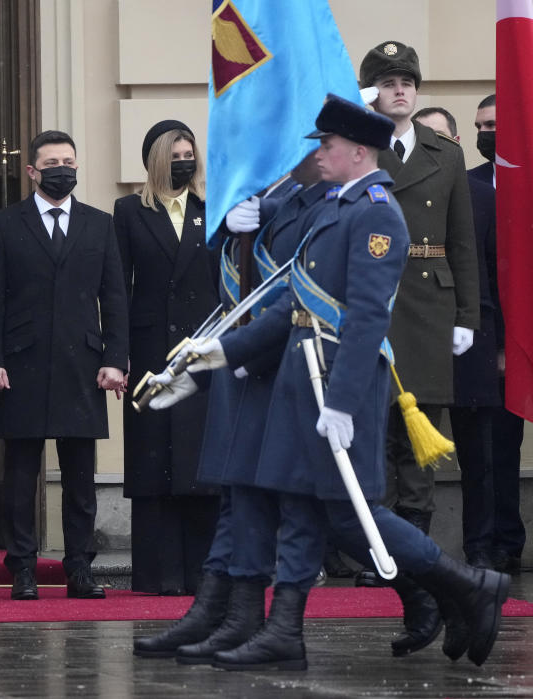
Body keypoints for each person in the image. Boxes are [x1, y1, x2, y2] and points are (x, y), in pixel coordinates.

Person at [158, 94, 508, 671]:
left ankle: (465, 586)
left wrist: (343, 403)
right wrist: (221, 349)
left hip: (338, 385)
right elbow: (291, 304)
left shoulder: (375, 212)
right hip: (307, 378)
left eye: (328, 145)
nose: (319, 154)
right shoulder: (334, 208)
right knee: (304, 506)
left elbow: (368, 316)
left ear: (357, 151)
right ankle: (290, 629)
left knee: (347, 513)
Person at [133, 154, 332, 663]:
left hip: (285, 364)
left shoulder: (332, 200)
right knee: (238, 497)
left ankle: (448, 585)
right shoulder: (262, 195)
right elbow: (230, 289)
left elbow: (298, 294)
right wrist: (228, 227)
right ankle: (226, 613)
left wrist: (229, 354)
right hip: (245, 366)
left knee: (336, 513)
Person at [0, 130, 129, 600]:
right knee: (20, 476)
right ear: (32, 171)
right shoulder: (3, 224)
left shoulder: (99, 224)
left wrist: (115, 360)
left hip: (82, 364)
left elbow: (115, 298)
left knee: (81, 477)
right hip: (21, 365)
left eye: (69, 161)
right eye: (52, 162)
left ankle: (79, 567)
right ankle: (22, 567)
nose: (62, 169)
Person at [357, 41, 480, 557]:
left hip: (430, 305)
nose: (400, 90)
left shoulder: (445, 153)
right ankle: (377, 552)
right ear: (371, 93)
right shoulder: (355, 150)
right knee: (374, 431)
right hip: (372, 300)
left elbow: (462, 241)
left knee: (419, 434)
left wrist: (466, 315)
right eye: (388, 83)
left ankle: (415, 552)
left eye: (406, 81)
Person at [113, 120, 219, 596]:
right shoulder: (130, 211)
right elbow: (117, 289)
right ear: (157, 159)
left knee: (200, 463)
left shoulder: (211, 208)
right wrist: (119, 354)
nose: (184, 160)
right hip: (151, 350)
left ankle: (202, 574)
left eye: (189, 152)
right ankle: (157, 576)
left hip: (202, 352)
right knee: (154, 463)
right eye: (175, 154)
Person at [414, 106, 504, 570]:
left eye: (440, 137)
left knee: (480, 457)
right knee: (412, 454)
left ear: (454, 142)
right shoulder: (395, 190)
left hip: (474, 340)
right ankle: (411, 551)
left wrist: (499, 344)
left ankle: (482, 549)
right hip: (416, 339)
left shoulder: (480, 197)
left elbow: (493, 274)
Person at [465, 94, 526, 573]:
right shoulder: (466, 189)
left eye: (499, 123)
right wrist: (500, 343)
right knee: (495, 451)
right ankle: (502, 543)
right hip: (495, 341)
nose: (492, 133)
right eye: (484, 126)